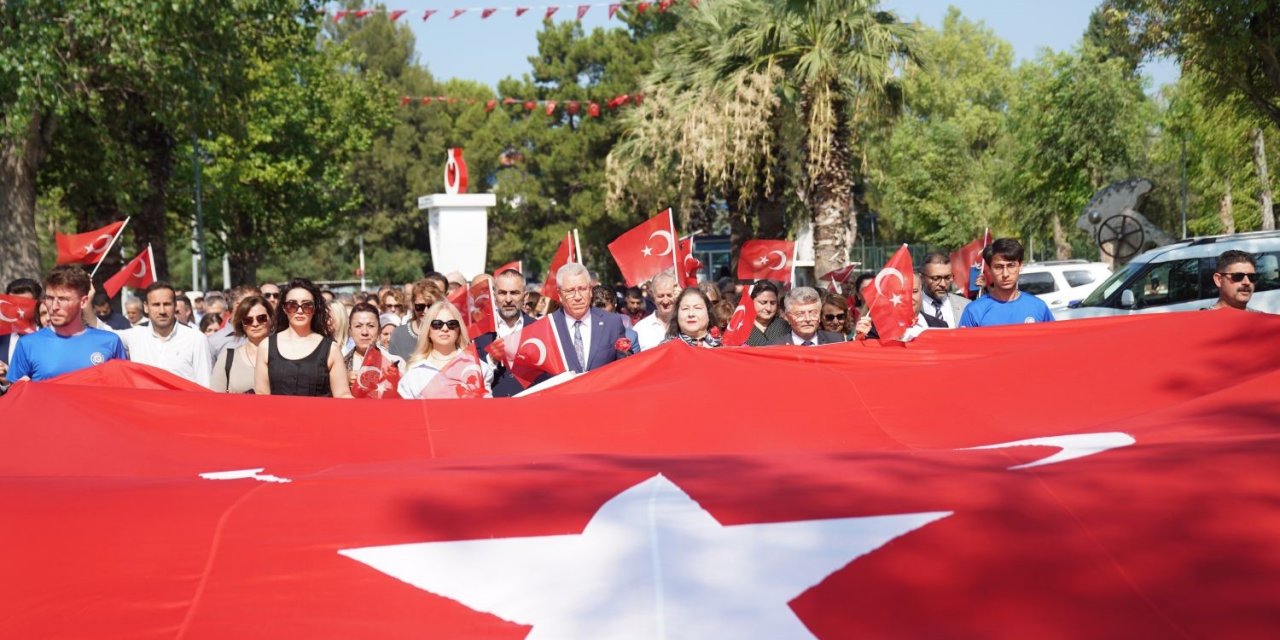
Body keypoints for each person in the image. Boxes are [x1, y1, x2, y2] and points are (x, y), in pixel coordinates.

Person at [6, 265, 126, 382]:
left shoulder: (110, 342)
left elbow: (123, 392)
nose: (54, 307)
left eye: (63, 299)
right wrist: (21, 389)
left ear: (83, 302)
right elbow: (15, 397)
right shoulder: (27, 344)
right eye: (49, 298)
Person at [254, 278, 351, 398]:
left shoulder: (331, 349)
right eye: (292, 305)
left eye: (307, 305)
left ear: (315, 308)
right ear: (284, 308)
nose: (300, 311)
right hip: (277, 416)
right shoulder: (266, 346)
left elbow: (342, 395)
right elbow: (261, 396)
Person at [119, 282, 213, 386]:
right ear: (146, 307)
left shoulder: (196, 339)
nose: (162, 311)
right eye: (156, 305)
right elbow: (102, 335)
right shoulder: (134, 336)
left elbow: (205, 386)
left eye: (167, 304)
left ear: (175, 306)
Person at [397, 301, 493, 398]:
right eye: (437, 324)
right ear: (428, 330)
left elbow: (486, 408)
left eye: (451, 324)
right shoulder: (414, 372)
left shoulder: (477, 368)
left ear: (459, 329)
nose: (445, 328)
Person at [548, 262, 628, 373]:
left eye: (582, 289)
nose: (577, 297)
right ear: (560, 295)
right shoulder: (548, 327)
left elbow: (626, 368)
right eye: (570, 291)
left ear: (590, 290)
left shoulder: (612, 323)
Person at [959, 238, 1055, 327]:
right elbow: (962, 344)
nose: (1005, 274)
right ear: (989, 269)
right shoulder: (974, 311)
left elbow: (1055, 341)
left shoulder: (1038, 307)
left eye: (1011, 266)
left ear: (1020, 266)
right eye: (998, 267)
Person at [473, 268, 539, 397]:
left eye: (514, 293)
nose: (508, 299)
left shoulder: (539, 328)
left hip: (530, 408)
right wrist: (491, 360)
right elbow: (471, 380)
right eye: (502, 293)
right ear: (494, 296)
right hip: (493, 409)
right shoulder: (477, 332)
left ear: (525, 296)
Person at [211, 295, 273, 393]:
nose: (255, 324)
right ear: (242, 324)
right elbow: (214, 400)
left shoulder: (285, 354)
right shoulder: (228, 358)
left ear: (271, 319)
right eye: (248, 320)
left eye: (261, 318)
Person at [345, 303, 406, 393]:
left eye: (371, 326)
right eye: (358, 326)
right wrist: (343, 382)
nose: (364, 332)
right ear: (350, 331)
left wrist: (396, 381)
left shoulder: (395, 363)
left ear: (379, 330)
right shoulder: (341, 365)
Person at [387, 278, 444, 360]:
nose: (425, 311)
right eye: (420, 307)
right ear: (413, 305)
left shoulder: (445, 332)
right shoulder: (399, 334)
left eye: (430, 306)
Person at [767, 286, 845, 346]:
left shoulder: (836, 341)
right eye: (800, 314)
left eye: (813, 313)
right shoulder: (775, 346)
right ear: (788, 317)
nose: (807, 319)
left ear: (820, 315)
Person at [1, 278, 43, 383]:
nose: (18, 310)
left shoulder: (50, 335)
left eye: (24, 305)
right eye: (13, 304)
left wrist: (12, 377)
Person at [919, 252, 970, 328]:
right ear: (922, 278)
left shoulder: (966, 306)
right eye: (936, 278)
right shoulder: (912, 307)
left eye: (947, 278)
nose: (943, 284)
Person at [633, 270, 679, 351]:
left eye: (669, 295)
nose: (665, 301)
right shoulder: (640, 329)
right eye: (660, 296)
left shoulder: (687, 326)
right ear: (653, 296)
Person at [592, 285, 640, 353]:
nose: (600, 312)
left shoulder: (630, 338)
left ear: (615, 306)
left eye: (603, 305)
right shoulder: (580, 338)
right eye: (597, 307)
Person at [745, 279, 790, 346]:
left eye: (773, 303)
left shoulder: (786, 327)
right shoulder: (740, 328)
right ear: (751, 302)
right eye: (763, 303)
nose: (768, 308)